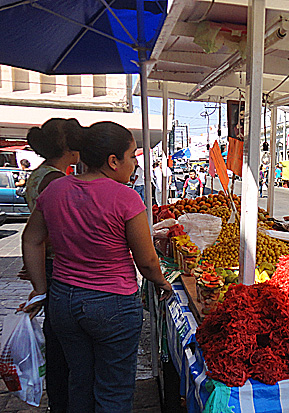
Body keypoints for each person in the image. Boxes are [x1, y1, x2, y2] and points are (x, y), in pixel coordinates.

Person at [21, 121, 173, 413]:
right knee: (113, 389)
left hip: (64, 301)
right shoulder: (126, 197)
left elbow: (32, 239)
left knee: (79, 380)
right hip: (112, 305)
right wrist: (161, 282)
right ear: (113, 161)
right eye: (132, 156)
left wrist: (40, 289)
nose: (135, 164)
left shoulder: (55, 190)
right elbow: (147, 260)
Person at [21, 118, 83, 413]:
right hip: (58, 267)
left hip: (47, 262)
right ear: (70, 148)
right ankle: (63, 402)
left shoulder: (38, 175)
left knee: (57, 335)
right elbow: (57, 230)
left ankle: (60, 400)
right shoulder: (57, 181)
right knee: (62, 343)